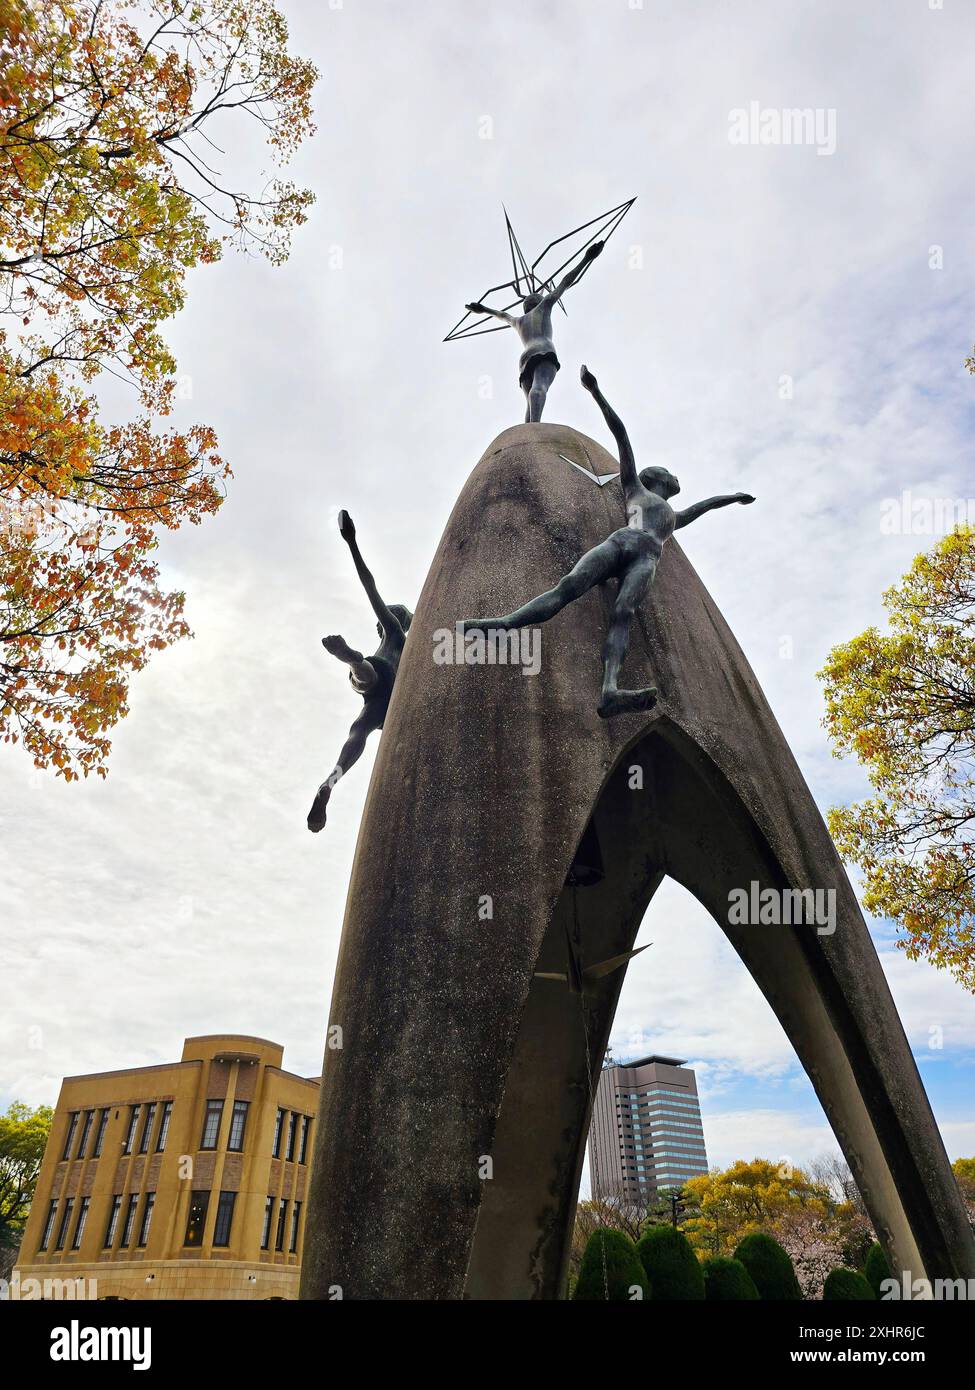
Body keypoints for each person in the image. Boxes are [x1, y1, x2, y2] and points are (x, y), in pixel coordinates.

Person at [462, 366, 754, 718]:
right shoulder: (636, 488)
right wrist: (596, 391)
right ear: (657, 477)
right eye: (670, 473)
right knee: (568, 585)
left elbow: (703, 507)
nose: (675, 477)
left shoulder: (671, 518)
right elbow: (622, 435)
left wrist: (733, 498)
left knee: (622, 613)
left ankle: (610, 690)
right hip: (624, 541)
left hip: (647, 558)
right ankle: (505, 624)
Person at [307, 511, 412, 832]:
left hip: (375, 685)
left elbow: (370, 586)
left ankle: (331, 779)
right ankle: (353, 661)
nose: (383, 621)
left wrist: (352, 542)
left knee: (358, 728)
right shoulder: (401, 637)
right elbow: (372, 588)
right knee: (360, 728)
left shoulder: (393, 632)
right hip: (389, 693)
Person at [466, 240, 604, 422]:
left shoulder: (518, 321)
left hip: (524, 358)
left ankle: (529, 430)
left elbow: (501, 314)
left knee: (530, 401)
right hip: (543, 349)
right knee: (539, 388)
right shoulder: (544, 306)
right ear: (538, 301)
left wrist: (483, 309)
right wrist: (587, 258)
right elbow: (564, 283)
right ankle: (535, 428)